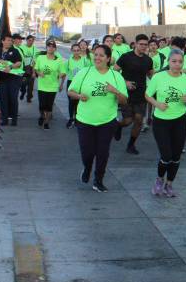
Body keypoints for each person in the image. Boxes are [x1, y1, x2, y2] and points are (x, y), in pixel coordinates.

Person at [67, 44, 128, 192]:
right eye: (96, 55)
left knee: (102, 152)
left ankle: (98, 179)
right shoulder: (84, 72)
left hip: (107, 121)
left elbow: (124, 101)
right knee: (87, 152)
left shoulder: (116, 76)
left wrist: (115, 91)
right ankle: (87, 168)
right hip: (84, 120)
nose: (97, 58)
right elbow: (71, 91)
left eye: (101, 55)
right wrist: (79, 96)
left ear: (108, 58)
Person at [145, 49, 186, 197]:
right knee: (166, 155)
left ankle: (169, 184)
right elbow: (147, 95)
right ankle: (159, 180)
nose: (177, 64)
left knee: (176, 156)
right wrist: (157, 104)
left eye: (180, 62)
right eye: (174, 61)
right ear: (168, 62)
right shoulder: (159, 77)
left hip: (179, 120)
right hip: (161, 121)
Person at [114, 34, 154, 154]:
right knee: (128, 121)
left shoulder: (148, 60)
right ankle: (119, 126)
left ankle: (131, 145)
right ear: (135, 44)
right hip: (126, 94)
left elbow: (152, 75)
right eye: (141, 44)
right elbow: (114, 72)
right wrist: (124, 82)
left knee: (138, 119)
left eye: (145, 45)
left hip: (141, 94)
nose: (143, 47)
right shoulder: (126, 57)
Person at [0, 34, 23, 126]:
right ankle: (4, 119)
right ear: (2, 41)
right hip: (2, 79)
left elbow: (19, 63)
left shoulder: (14, 51)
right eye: (8, 40)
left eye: (11, 41)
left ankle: (14, 119)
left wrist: (10, 67)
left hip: (14, 79)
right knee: (3, 99)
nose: (10, 42)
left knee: (13, 98)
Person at [34, 40, 66, 129]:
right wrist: (39, 73)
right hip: (42, 85)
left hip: (52, 86)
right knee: (41, 105)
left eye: (53, 47)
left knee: (49, 106)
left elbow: (63, 72)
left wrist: (60, 77)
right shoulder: (40, 58)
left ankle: (47, 122)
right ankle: (42, 116)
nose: (51, 48)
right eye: (49, 46)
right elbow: (36, 69)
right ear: (46, 48)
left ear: (55, 49)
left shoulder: (58, 60)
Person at [65, 43, 90, 128]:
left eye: (78, 50)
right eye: (74, 50)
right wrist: (60, 84)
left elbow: (89, 72)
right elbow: (64, 73)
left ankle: (77, 119)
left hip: (81, 84)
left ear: (80, 51)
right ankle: (71, 119)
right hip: (71, 83)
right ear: (71, 51)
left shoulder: (85, 61)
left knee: (79, 103)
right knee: (71, 102)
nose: (76, 52)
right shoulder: (68, 61)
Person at [18, 34, 38, 102]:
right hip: (23, 68)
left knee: (31, 85)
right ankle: (23, 92)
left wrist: (34, 72)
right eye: (29, 40)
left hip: (31, 68)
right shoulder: (21, 47)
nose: (31, 42)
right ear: (26, 40)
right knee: (23, 84)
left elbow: (36, 61)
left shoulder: (35, 49)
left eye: (32, 41)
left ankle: (29, 97)